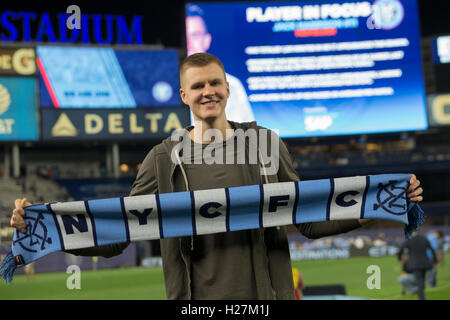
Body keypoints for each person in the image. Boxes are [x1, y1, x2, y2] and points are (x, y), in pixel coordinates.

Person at [11, 53, 424, 300]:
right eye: (198, 86)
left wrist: (377, 206)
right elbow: (119, 234)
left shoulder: (266, 144)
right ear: (184, 96)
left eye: (215, 83)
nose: (208, 91)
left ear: (227, 88)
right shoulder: (162, 158)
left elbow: (310, 220)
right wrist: (48, 228)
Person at [185, 4, 255, 123]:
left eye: (195, 35)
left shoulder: (232, 86)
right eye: (185, 36)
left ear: (206, 40)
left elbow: (247, 136)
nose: (190, 43)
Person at [397, 231, 438, 300]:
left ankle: (421, 297)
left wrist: (400, 258)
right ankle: (421, 296)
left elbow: (401, 249)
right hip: (425, 263)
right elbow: (432, 249)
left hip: (415, 264)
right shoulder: (423, 238)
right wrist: (435, 261)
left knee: (419, 280)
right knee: (422, 280)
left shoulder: (410, 240)